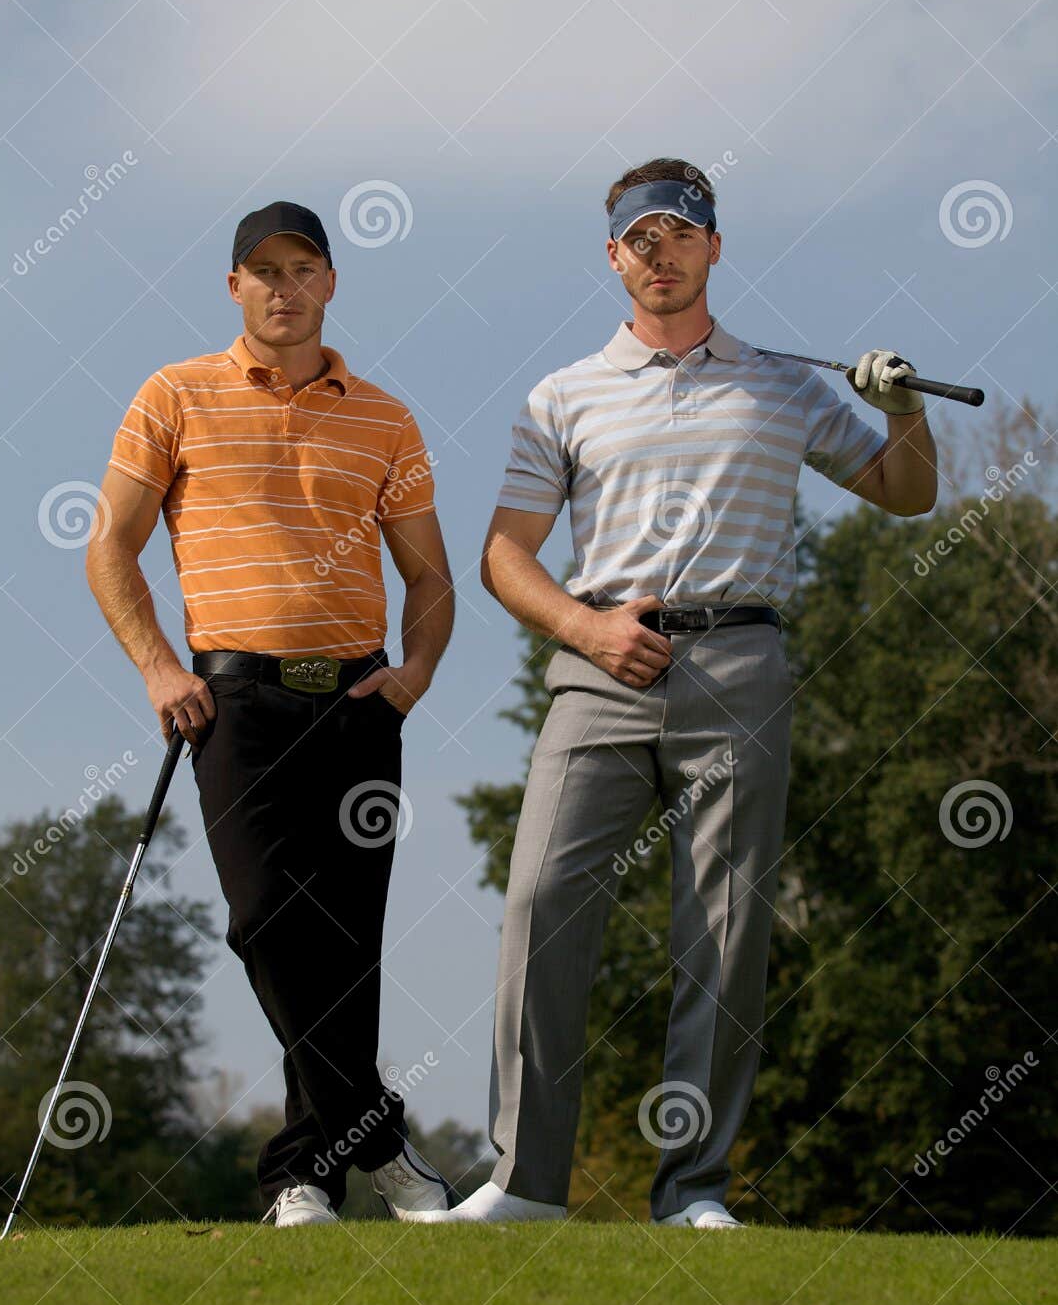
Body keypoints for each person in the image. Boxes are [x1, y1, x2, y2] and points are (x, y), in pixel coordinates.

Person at [423, 156, 937, 1229]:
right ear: (613, 258)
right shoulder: (559, 394)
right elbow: (505, 554)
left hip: (739, 665)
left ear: (713, 246)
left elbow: (903, 494)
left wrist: (901, 411)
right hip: (599, 667)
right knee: (540, 905)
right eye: (640, 240)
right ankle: (524, 1182)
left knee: (721, 925)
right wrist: (584, 627)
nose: (661, 255)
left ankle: (691, 1189)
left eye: (680, 235)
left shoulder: (783, 383)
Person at [87, 200, 455, 1227]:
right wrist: (160, 669)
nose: (282, 287)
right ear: (234, 286)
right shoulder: (173, 394)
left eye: (302, 269)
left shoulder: (386, 416)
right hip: (232, 702)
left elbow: (428, 574)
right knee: (266, 923)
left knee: (345, 941)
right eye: (262, 271)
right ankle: (377, 1142)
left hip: (356, 700)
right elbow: (108, 546)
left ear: (330, 284)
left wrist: (417, 670)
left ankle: (303, 1177)